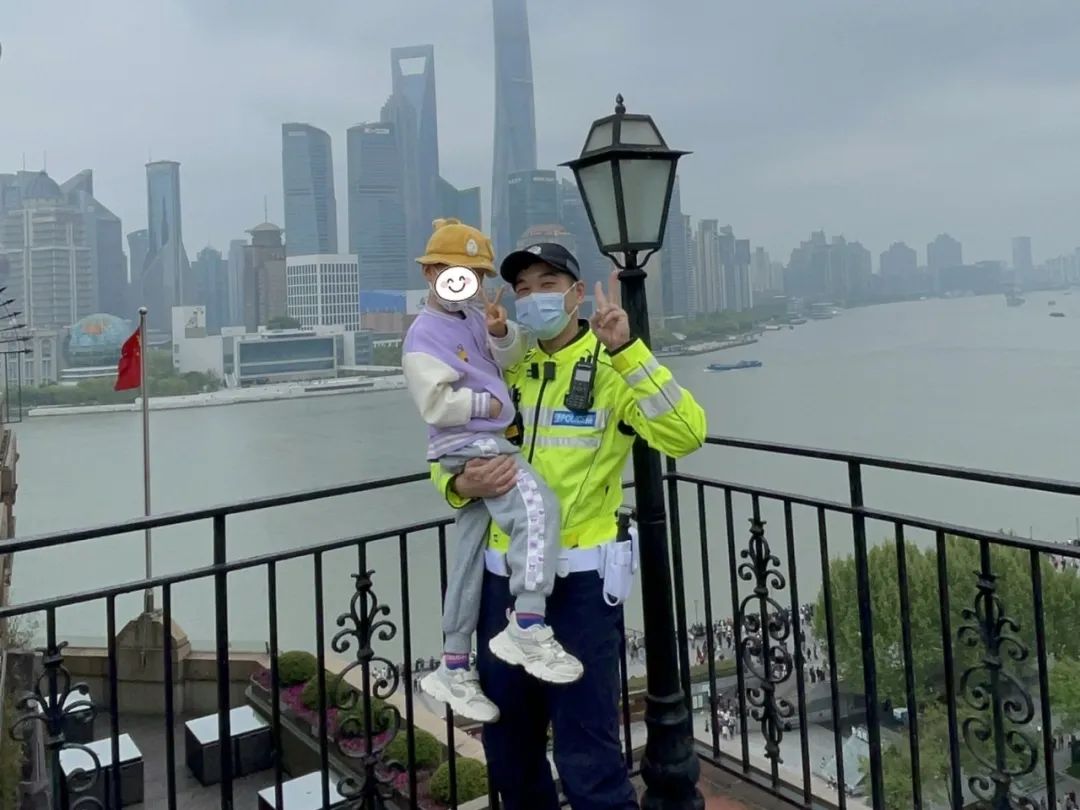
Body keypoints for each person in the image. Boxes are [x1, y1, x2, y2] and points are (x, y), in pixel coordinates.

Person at [431, 242, 707, 810]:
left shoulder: (612, 369)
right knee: (509, 749)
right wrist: (461, 485)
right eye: (523, 288)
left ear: (577, 294)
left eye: (548, 284)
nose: (534, 297)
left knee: (588, 757)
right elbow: (445, 451)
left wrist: (627, 350)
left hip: (579, 587)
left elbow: (686, 434)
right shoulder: (504, 369)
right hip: (501, 587)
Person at [402, 220, 584, 725]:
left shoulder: (471, 318)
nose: (470, 284)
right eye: (457, 274)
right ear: (431, 273)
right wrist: (489, 405)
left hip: (472, 442)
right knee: (537, 507)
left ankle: (453, 663)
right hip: (473, 441)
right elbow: (435, 404)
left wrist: (500, 330)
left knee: (467, 557)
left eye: (477, 276)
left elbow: (509, 357)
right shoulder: (423, 333)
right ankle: (527, 621)